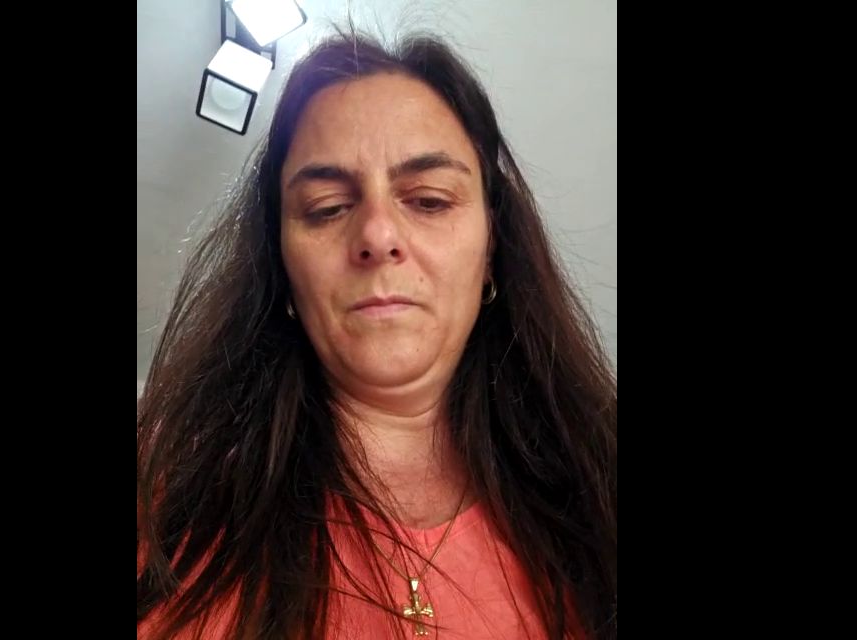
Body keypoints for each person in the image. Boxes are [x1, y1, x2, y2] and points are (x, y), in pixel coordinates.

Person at [138, 31, 617, 640]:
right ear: (282, 269)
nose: (377, 235)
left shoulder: (600, 480)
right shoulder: (162, 492)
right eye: (327, 207)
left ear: (492, 251)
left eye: (429, 200)